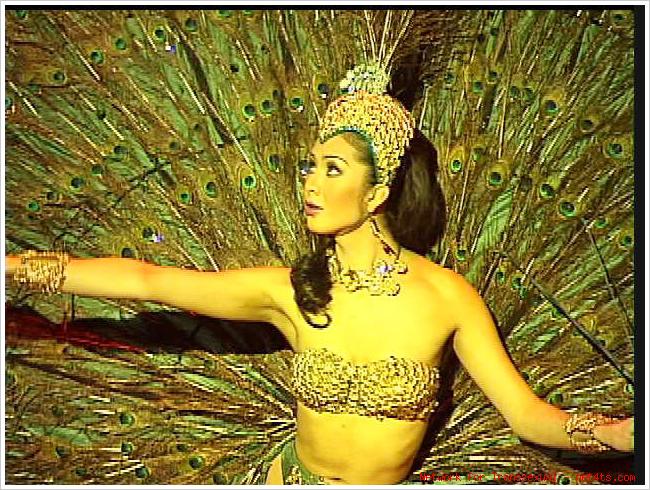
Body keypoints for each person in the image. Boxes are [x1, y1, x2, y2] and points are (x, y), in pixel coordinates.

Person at [5, 65, 634, 485]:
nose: (310, 182)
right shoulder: (290, 290)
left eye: (332, 169)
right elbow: (149, 281)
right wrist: (15, 267)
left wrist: (616, 435)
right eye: (309, 166)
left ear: (378, 191)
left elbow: (527, 418)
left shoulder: (446, 296)